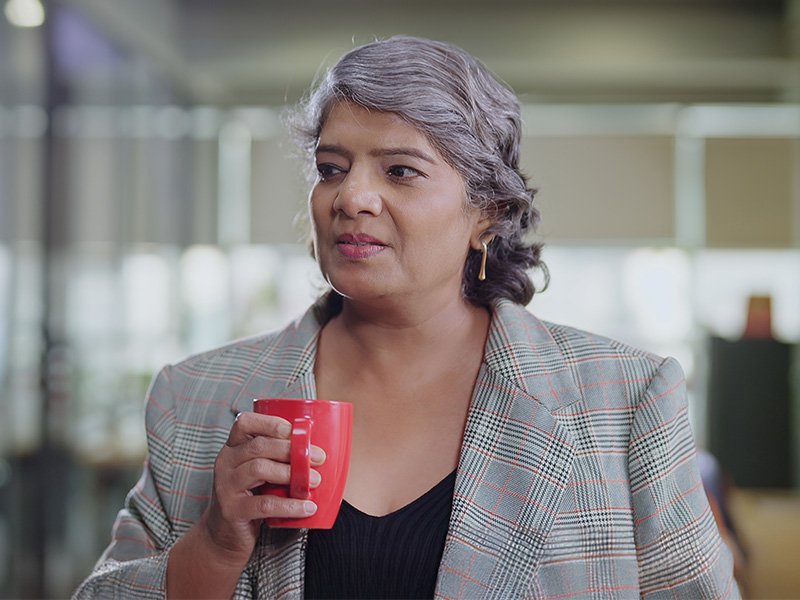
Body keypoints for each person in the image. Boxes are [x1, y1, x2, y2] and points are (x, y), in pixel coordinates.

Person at [74, 36, 739, 600]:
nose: (353, 197)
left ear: (488, 215)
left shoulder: (624, 399)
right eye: (331, 168)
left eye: (400, 170)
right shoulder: (194, 397)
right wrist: (215, 546)